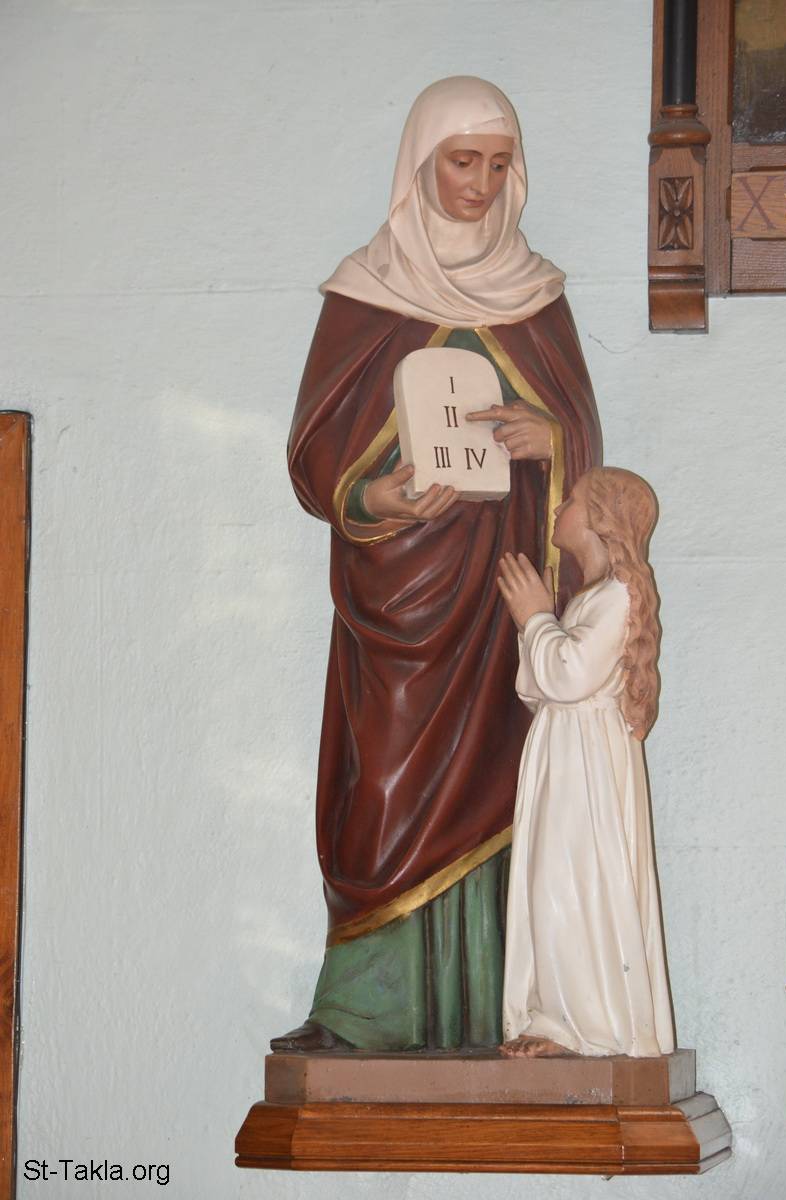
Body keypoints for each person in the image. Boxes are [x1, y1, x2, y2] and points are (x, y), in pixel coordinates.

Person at [276, 76, 602, 1053]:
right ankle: (362, 1010)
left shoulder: (535, 297)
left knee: (510, 781)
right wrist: (374, 499)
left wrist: (550, 437)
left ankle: (503, 1010)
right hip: (401, 596)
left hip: (506, 593)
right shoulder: (364, 293)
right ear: (420, 163)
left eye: (499, 165)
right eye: (463, 161)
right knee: (382, 787)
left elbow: (579, 443)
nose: (480, 183)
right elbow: (314, 449)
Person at [497, 467, 675, 1058]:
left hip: (584, 765)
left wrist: (535, 618)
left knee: (574, 883)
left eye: (569, 501)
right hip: (564, 754)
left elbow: (569, 677)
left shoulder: (619, 594)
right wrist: (537, 622)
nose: (558, 510)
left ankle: (589, 1025)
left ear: (601, 519)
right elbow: (538, 686)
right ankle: (558, 1016)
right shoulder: (590, 597)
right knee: (554, 881)